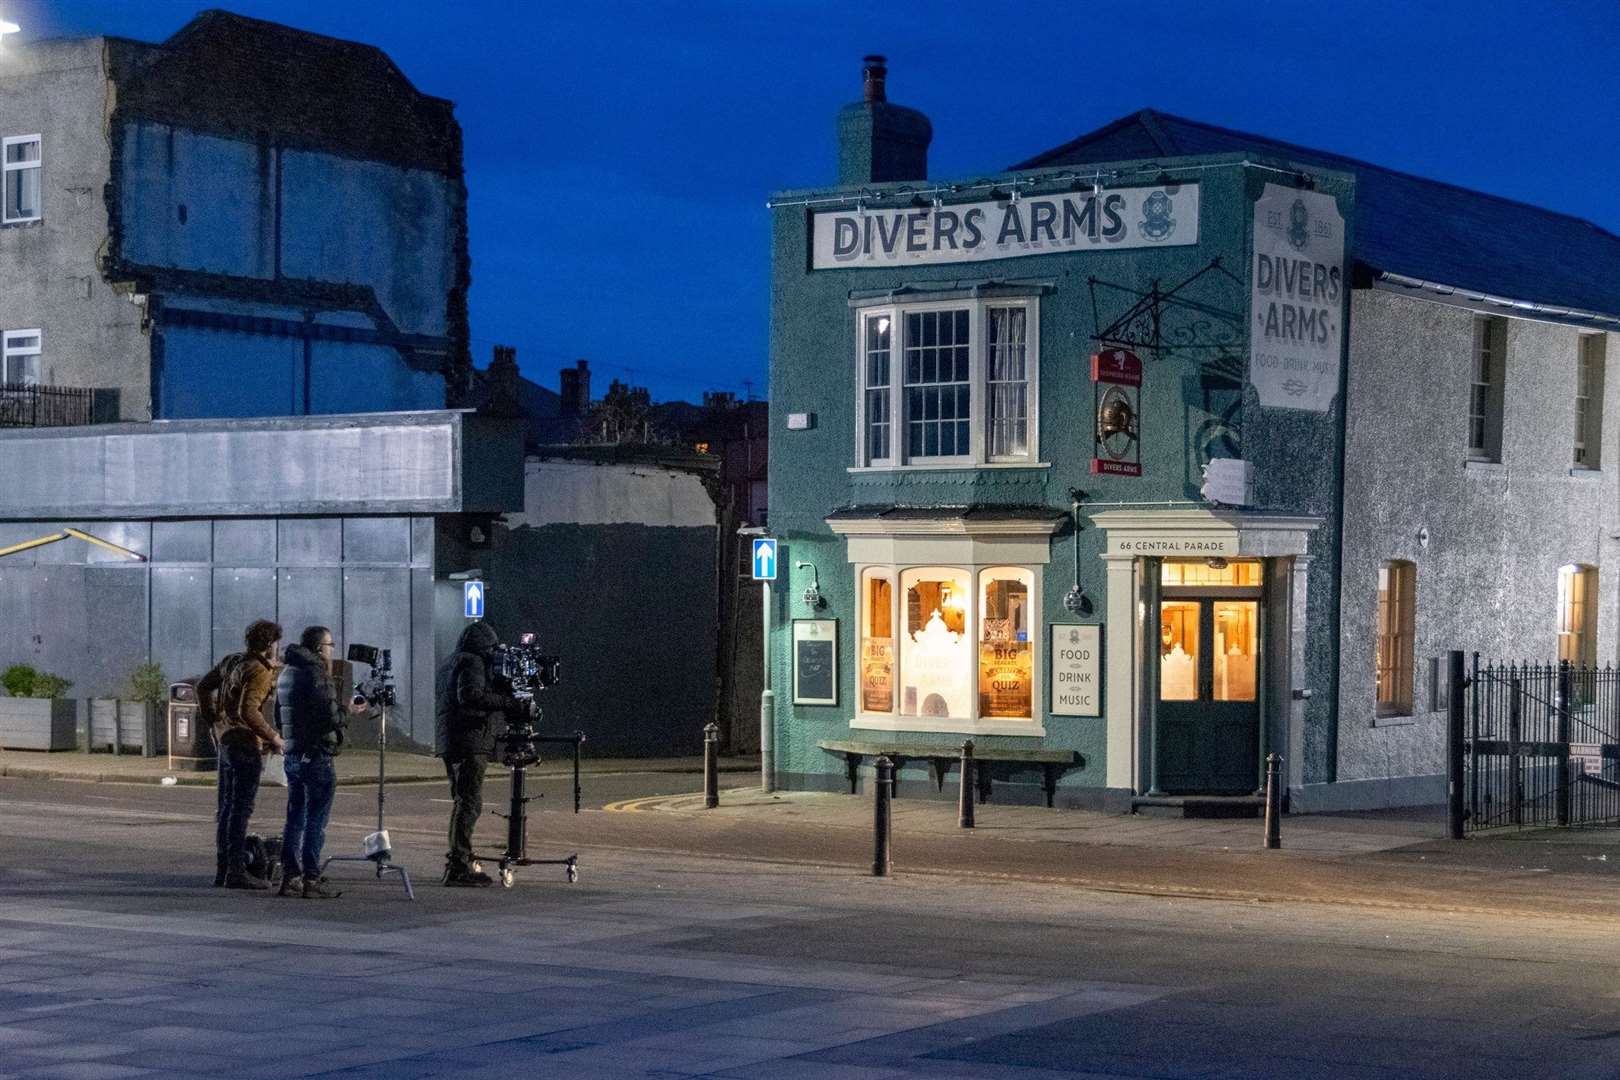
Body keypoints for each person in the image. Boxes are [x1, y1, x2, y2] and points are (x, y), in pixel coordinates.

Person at [197, 619, 284, 889]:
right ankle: (236, 872)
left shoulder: (232, 661)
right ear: (269, 645)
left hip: (225, 742)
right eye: (276, 644)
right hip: (246, 744)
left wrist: (213, 720)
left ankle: (223, 870)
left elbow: (202, 686)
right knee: (240, 810)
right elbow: (249, 711)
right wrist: (274, 737)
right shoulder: (259, 671)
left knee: (226, 809)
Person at [435, 621, 522, 887]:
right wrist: (509, 702)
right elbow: (471, 695)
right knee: (470, 803)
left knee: (462, 801)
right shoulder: (473, 662)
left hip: (453, 740)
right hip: (469, 739)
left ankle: (460, 858)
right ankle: (459, 866)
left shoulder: (452, 661)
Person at [276, 625, 346, 899]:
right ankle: (311, 878)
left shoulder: (286, 672)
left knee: (295, 816)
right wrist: (347, 712)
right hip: (316, 753)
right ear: (319, 648)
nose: (331, 650)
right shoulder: (317, 674)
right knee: (316, 818)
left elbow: (279, 716)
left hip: (292, 752)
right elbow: (328, 717)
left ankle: (290, 876)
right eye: (330, 645)